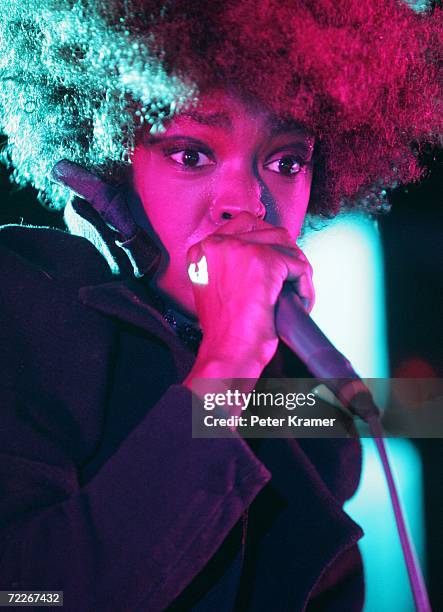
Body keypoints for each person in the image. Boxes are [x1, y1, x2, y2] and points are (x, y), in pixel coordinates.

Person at [0, 1, 441, 611]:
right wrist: (227, 361)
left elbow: (412, 411)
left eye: (286, 162)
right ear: (111, 153)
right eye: (190, 153)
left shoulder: (286, 394)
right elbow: (30, 593)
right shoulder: (23, 295)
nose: (246, 204)